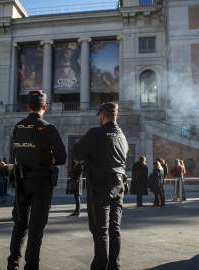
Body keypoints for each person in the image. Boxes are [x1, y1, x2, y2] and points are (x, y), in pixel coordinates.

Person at [7, 90, 67, 270]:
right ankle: (31, 266)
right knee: (36, 227)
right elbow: (62, 157)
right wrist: (51, 156)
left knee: (19, 225)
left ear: (28, 106)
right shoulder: (48, 128)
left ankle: (12, 265)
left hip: (21, 181)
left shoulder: (18, 126)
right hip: (41, 182)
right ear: (44, 107)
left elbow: (18, 152)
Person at [72, 102, 128, 270]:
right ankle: (114, 266)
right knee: (115, 228)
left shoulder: (96, 133)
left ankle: (99, 266)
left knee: (100, 229)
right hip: (119, 186)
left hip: (101, 187)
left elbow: (76, 153)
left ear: (102, 115)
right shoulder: (122, 136)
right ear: (116, 117)